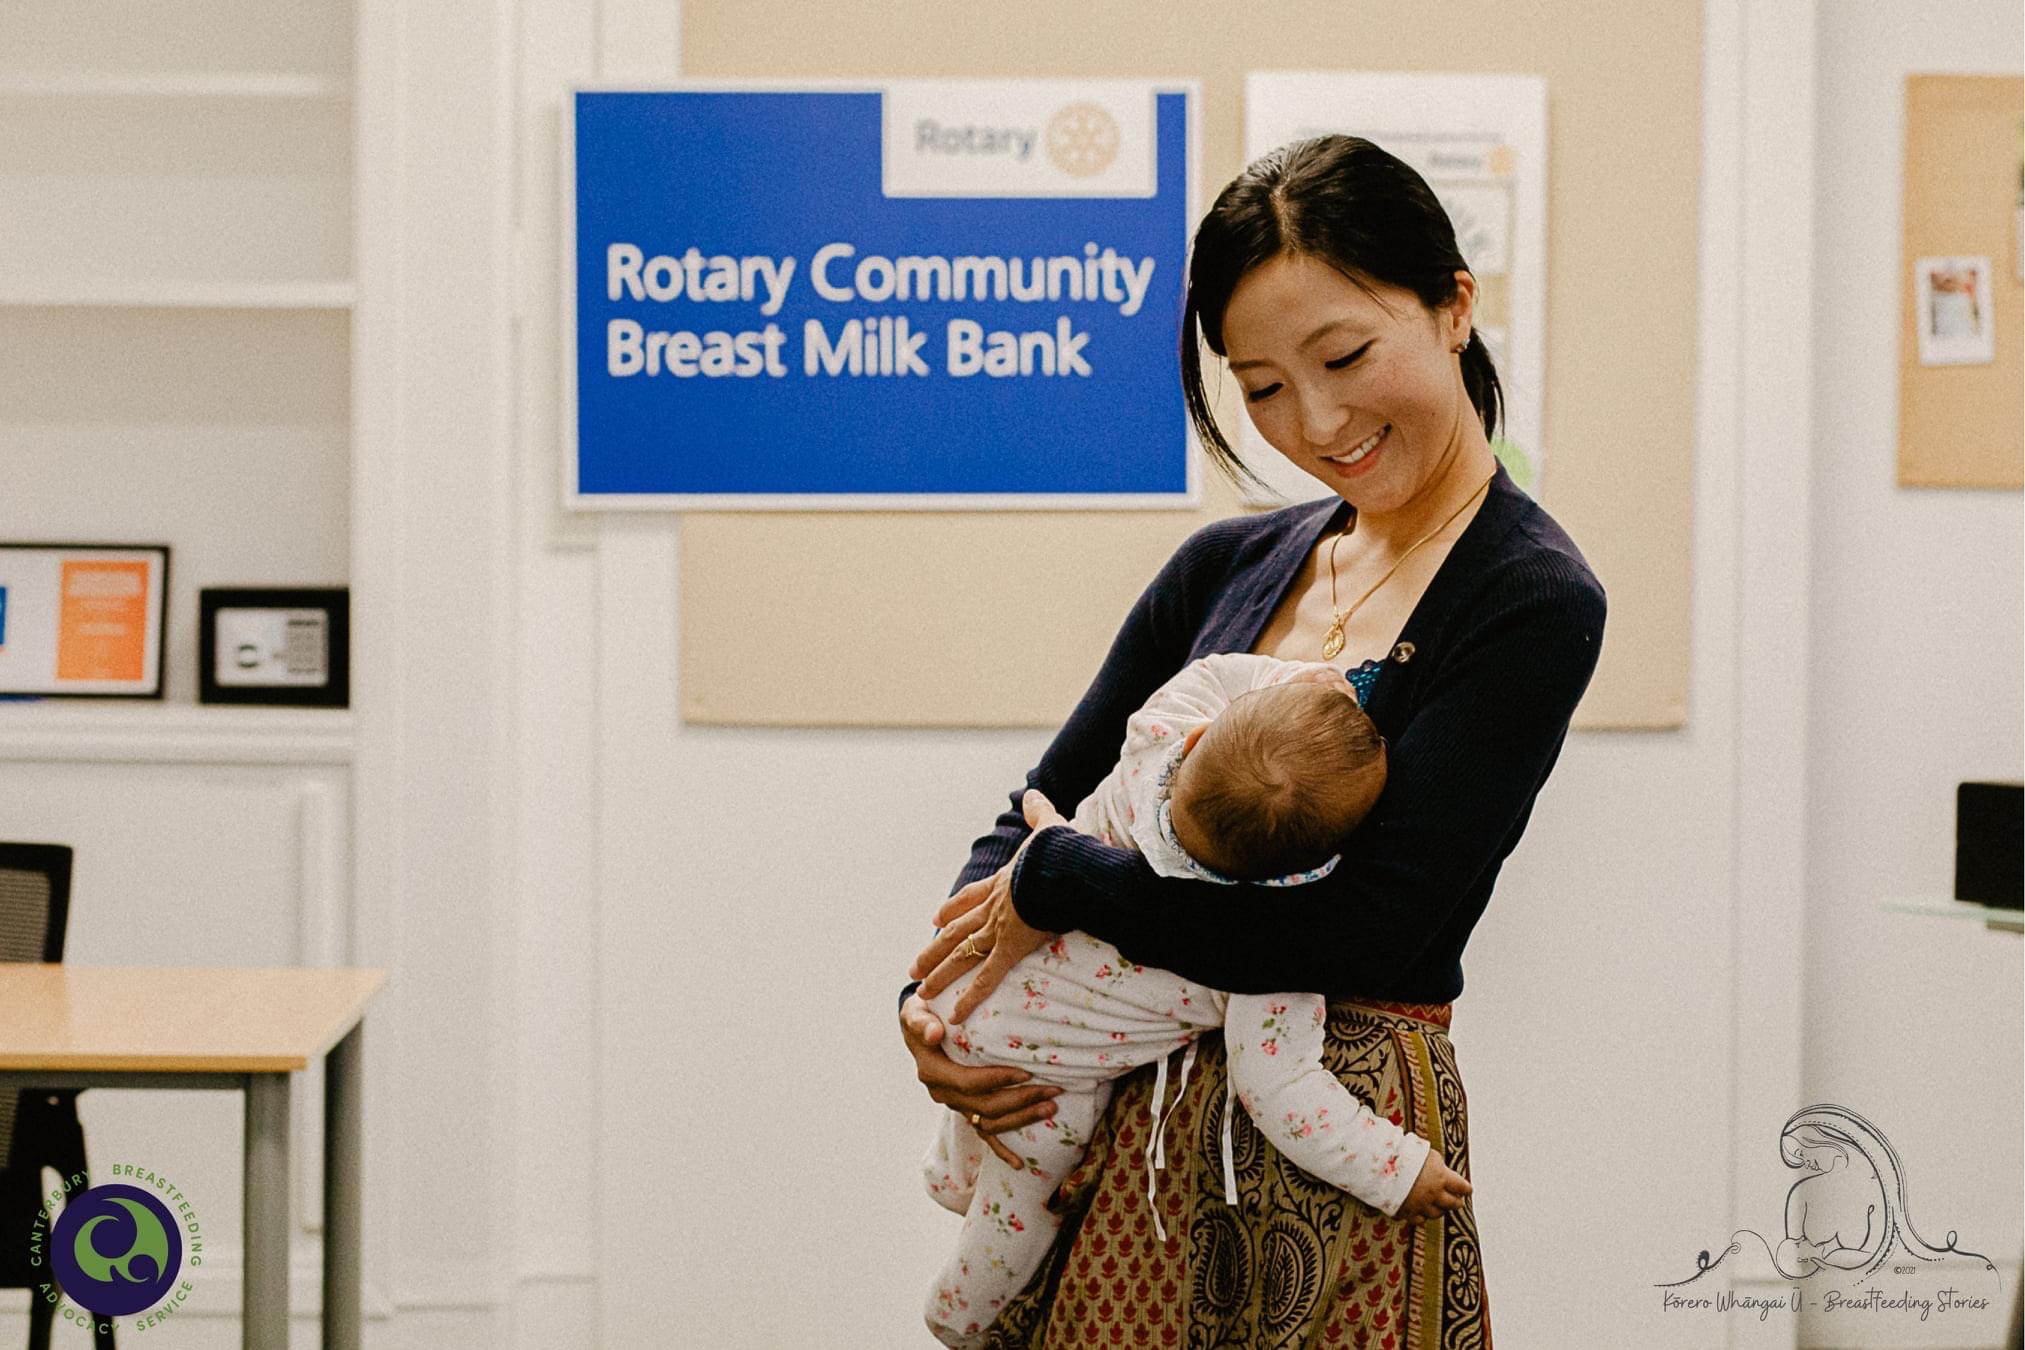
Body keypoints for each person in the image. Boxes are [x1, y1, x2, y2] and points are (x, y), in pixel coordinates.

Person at [900, 134, 1606, 1347]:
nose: (1316, 420)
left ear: (1452, 308)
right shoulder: (1223, 565)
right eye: (1263, 385)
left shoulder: (1528, 596)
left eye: (1343, 356)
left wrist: (1071, 881)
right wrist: (933, 1001)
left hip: (1333, 1134)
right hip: (1116, 1128)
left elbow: (1368, 927)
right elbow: (1033, 808)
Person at [920, 652, 1473, 1347]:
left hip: (972, 1001)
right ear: (1315, 868)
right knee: (1019, 1210)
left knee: (973, 1152)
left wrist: (1295, 683)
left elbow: (1210, 676)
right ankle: (958, 1316)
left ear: (1192, 741)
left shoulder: (1150, 747)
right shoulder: (1258, 951)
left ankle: (947, 1175)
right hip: (1044, 1085)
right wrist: (1395, 1168)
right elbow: (1282, 1089)